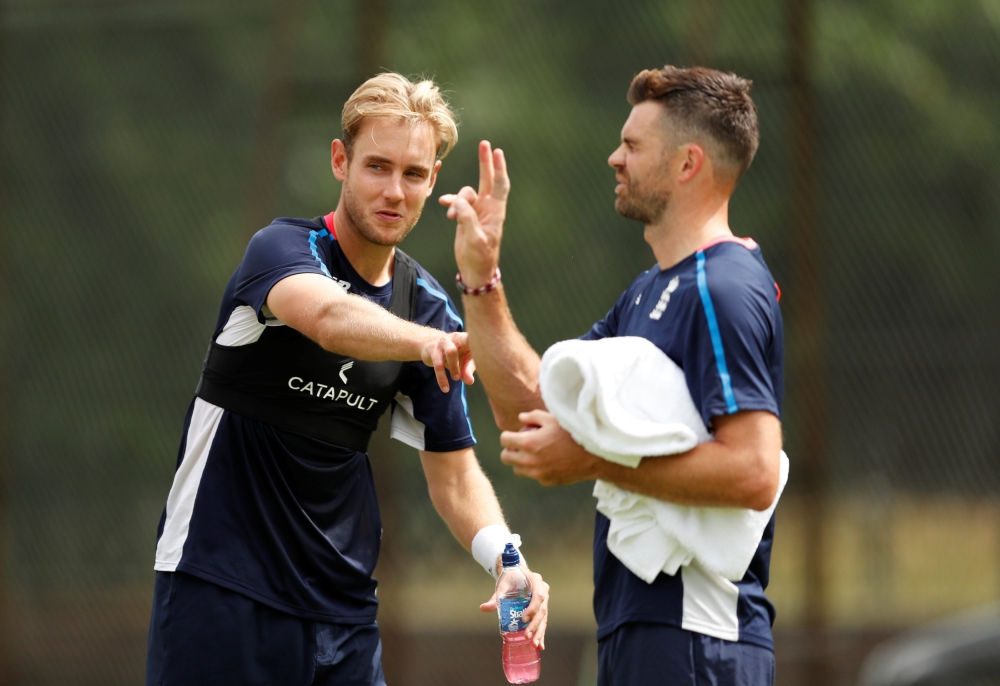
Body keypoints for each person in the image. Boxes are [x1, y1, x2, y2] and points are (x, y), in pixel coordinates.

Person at [146, 72, 548, 686]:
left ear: (433, 179)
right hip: (221, 585)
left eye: (413, 174)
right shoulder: (282, 249)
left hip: (343, 617)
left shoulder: (428, 304)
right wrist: (429, 342)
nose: (394, 191)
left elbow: (455, 474)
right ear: (341, 161)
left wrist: (507, 559)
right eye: (377, 167)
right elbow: (330, 318)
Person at [440, 65, 783, 685]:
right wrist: (481, 277)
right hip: (641, 640)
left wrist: (594, 460)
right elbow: (529, 411)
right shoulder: (651, 291)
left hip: (699, 645)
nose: (614, 158)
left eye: (632, 146)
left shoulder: (723, 288)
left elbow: (754, 472)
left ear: (688, 165)